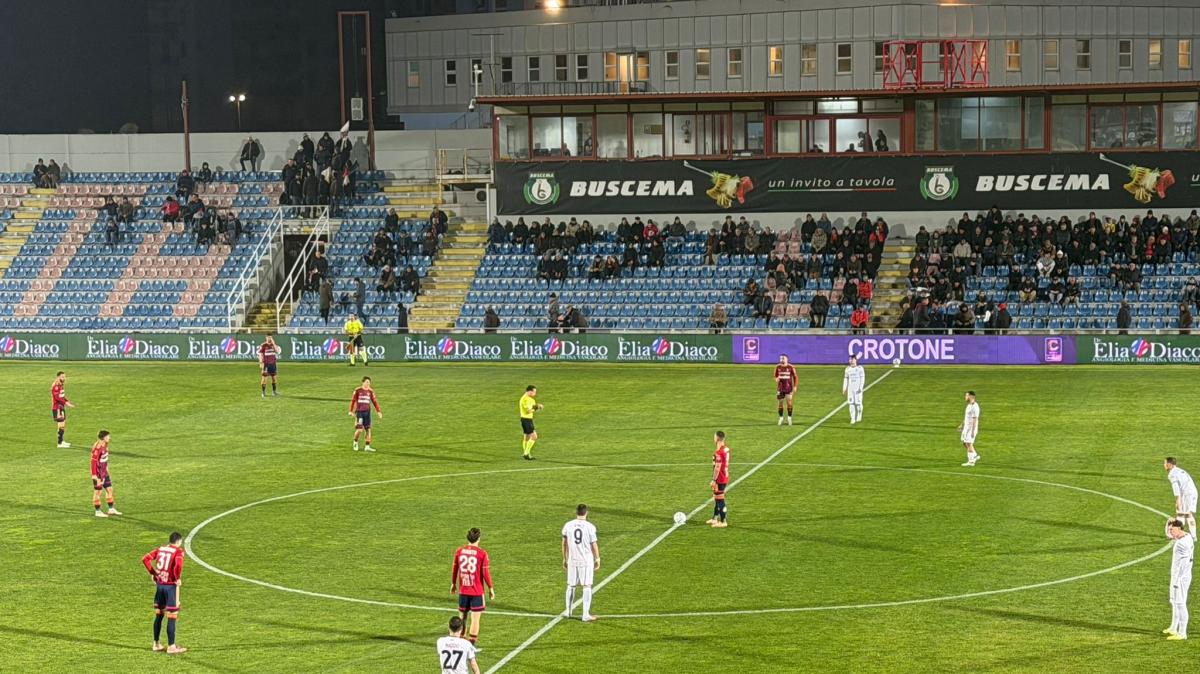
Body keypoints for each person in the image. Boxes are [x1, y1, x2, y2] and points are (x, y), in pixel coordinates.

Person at [141, 532, 187, 654]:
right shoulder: (178, 552)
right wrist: (177, 578)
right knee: (172, 616)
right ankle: (171, 646)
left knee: (159, 615)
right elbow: (178, 565)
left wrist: (153, 573)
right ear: (178, 541)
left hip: (160, 585)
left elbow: (145, 559)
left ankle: (156, 644)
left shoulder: (160, 549)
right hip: (170, 586)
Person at [451, 528, 495, 645]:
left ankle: (459, 644)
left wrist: (453, 583)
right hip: (476, 591)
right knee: (475, 619)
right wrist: (490, 588)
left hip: (463, 590)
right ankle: (470, 646)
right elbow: (485, 573)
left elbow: (455, 568)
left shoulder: (460, 551)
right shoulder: (482, 554)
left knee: (462, 618)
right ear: (479, 538)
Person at [562, 503, 600, 623]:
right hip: (586, 560)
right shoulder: (590, 527)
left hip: (572, 560)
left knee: (571, 585)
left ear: (576, 513)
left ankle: (567, 611)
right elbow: (594, 544)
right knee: (587, 586)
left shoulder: (568, 525)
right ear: (586, 513)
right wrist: (597, 559)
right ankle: (585, 615)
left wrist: (564, 558)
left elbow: (564, 543)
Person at [1165, 518, 1195, 640]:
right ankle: (1173, 628)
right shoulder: (1187, 536)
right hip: (1179, 576)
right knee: (1174, 602)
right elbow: (1169, 535)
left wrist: (1177, 581)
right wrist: (1168, 523)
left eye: (1172, 529)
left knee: (1180, 603)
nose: (1170, 532)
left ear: (1178, 528)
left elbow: (1183, 565)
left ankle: (1182, 633)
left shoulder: (1182, 544)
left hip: (1181, 578)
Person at [1165, 458, 1199, 540]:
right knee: (1187, 514)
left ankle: (1179, 534)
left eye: (1165, 463)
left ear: (1170, 464)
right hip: (1193, 492)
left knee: (1182, 514)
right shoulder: (1180, 470)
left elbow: (1176, 489)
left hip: (1187, 494)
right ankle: (1193, 536)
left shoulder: (1172, 474)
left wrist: (1177, 501)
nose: (1164, 465)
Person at [90, 430, 121, 517]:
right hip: (98, 474)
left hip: (104, 473)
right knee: (97, 492)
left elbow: (104, 459)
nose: (109, 438)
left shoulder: (105, 445)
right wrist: (94, 476)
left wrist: (106, 470)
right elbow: (93, 463)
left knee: (109, 489)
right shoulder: (97, 448)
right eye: (108, 436)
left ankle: (111, 509)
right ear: (103, 438)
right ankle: (97, 511)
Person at [348, 376, 381, 452]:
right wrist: (350, 411)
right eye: (367, 382)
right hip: (359, 412)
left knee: (368, 429)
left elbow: (374, 402)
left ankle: (367, 446)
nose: (368, 384)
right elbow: (353, 401)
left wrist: (378, 411)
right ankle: (355, 442)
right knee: (359, 430)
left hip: (367, 413)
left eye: (369, 382)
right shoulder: (358, 390)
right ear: (363, 382)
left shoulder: (370, 391)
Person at [707, 431, 730, 528]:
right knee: (717, 498)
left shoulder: (719, 452)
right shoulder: (726, 449)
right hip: (724, 476)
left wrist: (714, 480)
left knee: (720, 500)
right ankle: (715, 518)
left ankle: (723, 521)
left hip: (720, 478)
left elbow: (717, 467)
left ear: (717, 438)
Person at [519, 385, 543, 460]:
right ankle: (526, 453)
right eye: (534, 392)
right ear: (529, 391)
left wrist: (537, 407)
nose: (535, 393)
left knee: (526, 437)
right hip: (526, 420)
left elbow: (532, 408)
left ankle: (526, 453)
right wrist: (537, 407)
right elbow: (528, 411)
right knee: (534, 436)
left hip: (527, 419)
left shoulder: (531, 399)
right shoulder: (524, 399)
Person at [51, 370, 74, 448]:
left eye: (64, 377)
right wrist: (66, 403)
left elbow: (62, 396)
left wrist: (67, 400)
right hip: (57, 408)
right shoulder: (56, 385)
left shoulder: (61, 385)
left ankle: (61, 441)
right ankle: (59, 443)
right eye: (62, 377)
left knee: (62, 425)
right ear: (58, 377)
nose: (64, 378)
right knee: (61, 425)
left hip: (61, 407)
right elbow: (57, 398)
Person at [773, 354, 798, 426]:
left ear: (787, 359)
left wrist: (795, 386)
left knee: (789, 403)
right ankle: (781, 418)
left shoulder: (791, 367)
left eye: (783, 358)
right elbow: (775, 376)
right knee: (780, 403)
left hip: (788, 388)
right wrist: (776, 379)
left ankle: (789, 418)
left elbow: (795, 377)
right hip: (780, 388)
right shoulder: (777, 367)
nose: (781, 360)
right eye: (780, 358)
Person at [958, 390, 980, 467]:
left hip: (970, 429)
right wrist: (962, 425)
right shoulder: (969, 405)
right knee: (964, 442)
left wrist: (973, 431)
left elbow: (975, 419)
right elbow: (967, 417)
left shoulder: (975, 407)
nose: (965, 397)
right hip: (966, 428)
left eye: (967, 396)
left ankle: (971, 462)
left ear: (971, 396)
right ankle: (975, 455)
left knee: (969, 443)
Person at [843, 354, 866, 424]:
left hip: (857, 390)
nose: (851, 361)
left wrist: (860, 388)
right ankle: (852, 418)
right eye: (850, 359)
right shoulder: (847, 369)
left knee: (858, 404)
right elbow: (846, 379)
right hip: (850, 389)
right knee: (851, 403)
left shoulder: (860, 368)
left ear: (856, 360)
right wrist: (844, 388)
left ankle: (859, 414)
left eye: (852, 359)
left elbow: (862, 378)